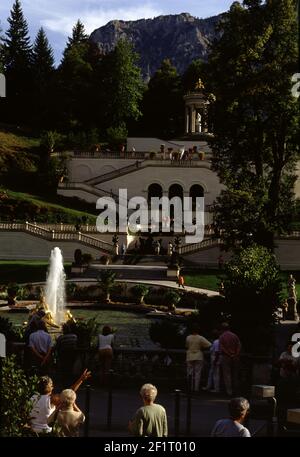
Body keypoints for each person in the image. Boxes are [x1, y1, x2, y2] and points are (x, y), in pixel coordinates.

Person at [29, 369, 90, 434]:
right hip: (46, 432)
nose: (53, 386)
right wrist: (81, 380)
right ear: (47, 387)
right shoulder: (51, 399)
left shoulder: (32, 397)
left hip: (32, 431)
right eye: (51, 384)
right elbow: (68, 393)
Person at [186, 326, 211, 392]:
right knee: (198, 373)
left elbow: (187, 346)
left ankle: (189, 387)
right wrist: (202, 347)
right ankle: (196, 388)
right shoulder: (200, 338)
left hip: (190, 355)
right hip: (199, 355)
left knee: (189, 372)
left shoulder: (188, 337)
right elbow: (209, 344)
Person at [219, 323, 241, 396]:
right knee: (235, 374)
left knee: (227, 374)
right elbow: (239, 345)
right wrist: (235, 354)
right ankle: (236, 390)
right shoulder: (235, 336)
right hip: (235, 357)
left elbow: (222, 347)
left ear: (222, 329)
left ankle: (229, 391)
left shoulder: (222, 336)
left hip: (226, 357)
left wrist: (229, 354)